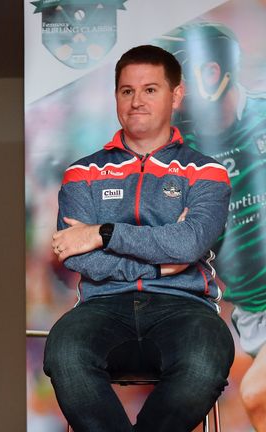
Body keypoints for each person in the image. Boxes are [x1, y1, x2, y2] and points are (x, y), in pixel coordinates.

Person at [43, 44, 235, 431]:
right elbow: (78, 257)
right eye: (127, 91)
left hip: (184, 306)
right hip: (102, 304)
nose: (136, 101)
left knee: (205, 361)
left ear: (176, 95)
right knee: (64, 354)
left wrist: (102, 233)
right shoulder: (82, 173)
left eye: (150, 89)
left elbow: (189, 245)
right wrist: (165, 256)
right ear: (116, 96)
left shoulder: (207, 172)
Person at [155, 22, 266, 429]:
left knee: (258, 394)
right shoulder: (179, 156)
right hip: (253, 313)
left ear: (213, 71)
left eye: (173, 78)